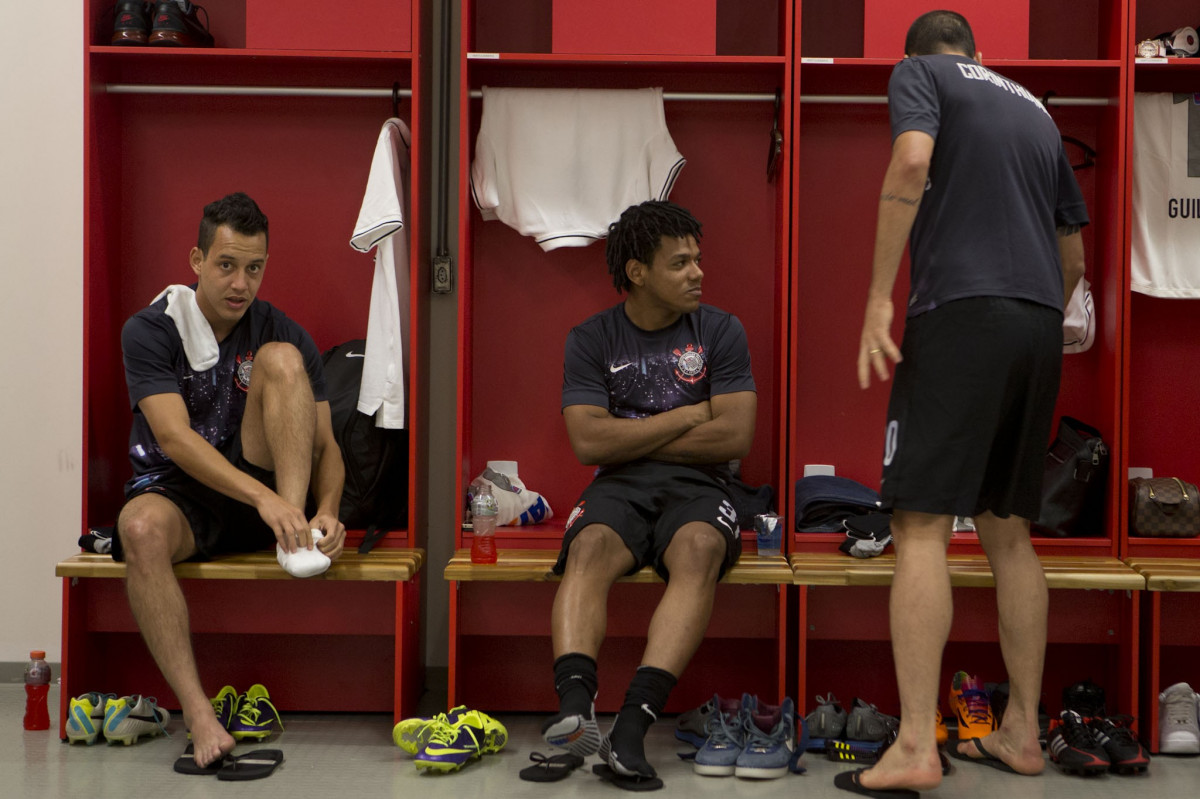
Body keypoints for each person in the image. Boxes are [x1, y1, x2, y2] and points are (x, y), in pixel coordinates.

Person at [843, 11, 1089, 796]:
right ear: (979, 53)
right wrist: (1034, 317)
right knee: (1009, 532)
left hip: (960, 311)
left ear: (915, 56)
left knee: (917, 521)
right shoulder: (1032, 106)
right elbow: (1075, 255)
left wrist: (879, 299)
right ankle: (1020, 732)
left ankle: (916, 744)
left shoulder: (920, 74)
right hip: (1038, 319)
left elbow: (911, 164)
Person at [113, 192, 347, 768]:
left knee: (282, 359)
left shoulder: (278, 329)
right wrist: (266, 501)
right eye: (225, 265)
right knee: (138, 527)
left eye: (254, 267)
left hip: (268, 500)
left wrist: (327, 510)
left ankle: (294, 539)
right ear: (196, 260)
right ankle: (198, 714)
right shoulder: (150, 330)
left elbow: (327, 446)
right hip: (185, 495)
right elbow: (173, 438)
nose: (240, 282)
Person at [543, 200, 757, 783]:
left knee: (698, 551)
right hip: (618, 486)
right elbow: (588, 444)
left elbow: (736, 434)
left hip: (701, 486)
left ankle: (633, 726)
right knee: (587, 549)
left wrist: (628, 436)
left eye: (698, 260)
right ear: (638, 272)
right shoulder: (592, 338)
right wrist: (689, 417)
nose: (698, 273)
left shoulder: (720, 330)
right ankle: (574, 709)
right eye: (680, 263)